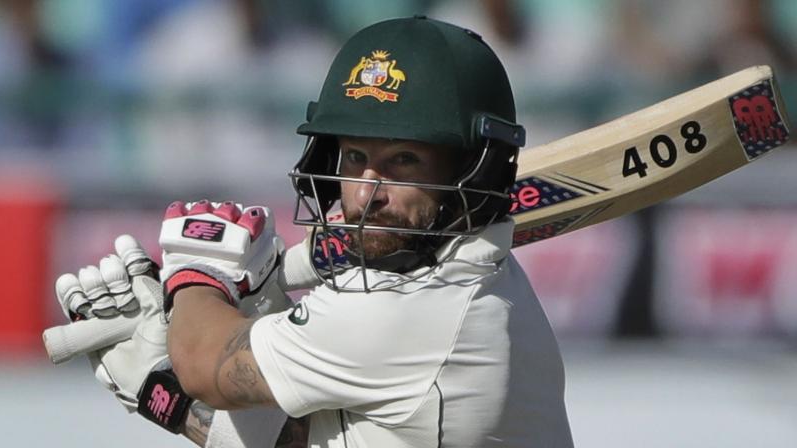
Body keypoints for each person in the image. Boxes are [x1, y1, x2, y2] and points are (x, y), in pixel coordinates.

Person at [54, 17, 573, 447]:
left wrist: (198, 276)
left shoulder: (413, 309)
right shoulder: (466, 274)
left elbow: (207, 368)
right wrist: (162, 393)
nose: (368, 193)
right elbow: (310, 437)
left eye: (404, 160)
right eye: (355, 157)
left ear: (471, 171)